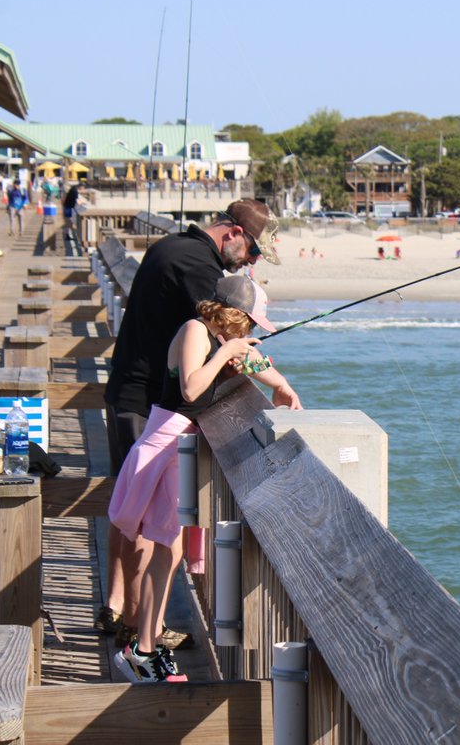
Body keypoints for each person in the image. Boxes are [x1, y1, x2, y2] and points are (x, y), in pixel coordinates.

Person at [100, 199, 297, 651]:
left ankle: (120, 609)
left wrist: (269, 376)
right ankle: (135, 626)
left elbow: (228, 340)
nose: (252, 262)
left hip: (141, 395)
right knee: (146, 523)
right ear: (232, 233)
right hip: (152, 405)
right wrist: (272, 378)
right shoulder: (197, 267)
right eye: (252, 252)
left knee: (133, 514)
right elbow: (230, 344)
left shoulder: (173, 247)